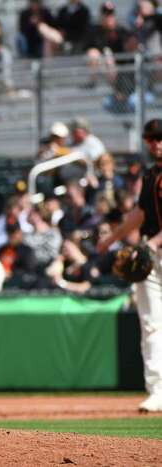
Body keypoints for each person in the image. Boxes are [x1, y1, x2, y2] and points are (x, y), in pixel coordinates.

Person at [97, 119, 162, 412]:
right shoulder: (151, 175)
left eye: (160, 138)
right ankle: (158, 390)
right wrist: (112, 238)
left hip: (153, 247)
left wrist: (154, 242)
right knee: (150, 324)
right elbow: (139, 213)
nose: (155, 143)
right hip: (151, 255)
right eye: (150, 139)